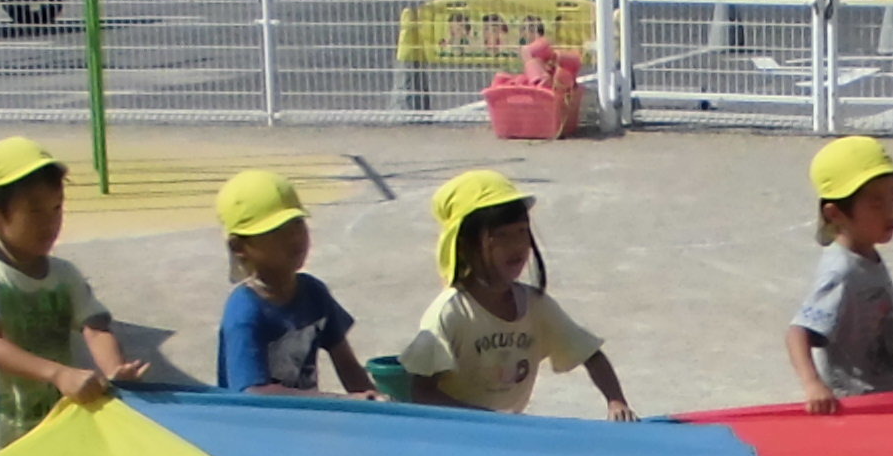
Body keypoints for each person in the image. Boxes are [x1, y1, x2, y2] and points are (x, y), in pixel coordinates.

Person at [0, 136, 136, 456]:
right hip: (0, 447)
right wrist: (59, 373)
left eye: (57, 208)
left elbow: (95, 326)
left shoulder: (65, 275)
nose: (50, 222)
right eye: (34, 211)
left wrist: (116, 370)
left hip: (59, 436)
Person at [398, 173, 636, 419]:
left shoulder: (534, 305)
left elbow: (591, 355)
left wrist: (616, 401)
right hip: (456, 434)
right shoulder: (450, 313)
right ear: (465, 245)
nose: (517, 245)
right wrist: (487, 418)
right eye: (501, 236)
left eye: (522, 231)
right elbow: (422, 392)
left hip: (504, 430)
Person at [211, 170, 375, 398]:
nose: (295, 238)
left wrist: (374, 401)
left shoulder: (314, 292)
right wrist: (341, 400)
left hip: (303, 422)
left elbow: (347, 365)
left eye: (298, 224)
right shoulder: (245, 311)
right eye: (277, 232)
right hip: (256, 428)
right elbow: (254, 393)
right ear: (239, 247)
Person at [785, 133, 893, 409]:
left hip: (890, 399)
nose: (890, 212)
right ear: (836, 214)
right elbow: (798, 333)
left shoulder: (866, 255)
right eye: (875, 203)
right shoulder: (842, 271)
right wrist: (813, 385)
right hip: (861, 409)